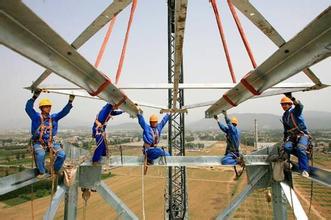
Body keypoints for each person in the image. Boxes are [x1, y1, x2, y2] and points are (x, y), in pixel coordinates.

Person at [25, 90, 75, 179]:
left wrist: (70, 102)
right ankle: (42, 172)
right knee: (40, 155)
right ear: (41, 108)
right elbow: (28, 108)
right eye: (46, 106)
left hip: (51, 142)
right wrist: (34, 97)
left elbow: (63, 112)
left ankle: (54, 170)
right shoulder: (35, 117)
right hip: (38, 142)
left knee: (62, 155)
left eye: (49, 106)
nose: (48, 108)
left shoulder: (54, 118)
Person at [280, 93, 310, 177]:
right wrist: (285, 139)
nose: (284, 106)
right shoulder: (284, 116)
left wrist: (292, 98)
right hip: (292, 136)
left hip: (302, 135)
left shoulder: (295, 111)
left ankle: (304, 169)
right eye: (282, 104)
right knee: (287, 147)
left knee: (300, 148)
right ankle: (289, 163)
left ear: (290, 104)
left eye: (286, 104)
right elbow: (286, 129)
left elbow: (300, 106)